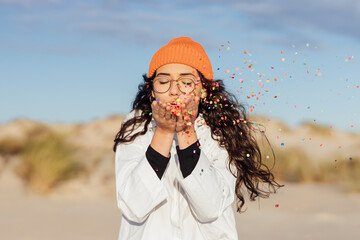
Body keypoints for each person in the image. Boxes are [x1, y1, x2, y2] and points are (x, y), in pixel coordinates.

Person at [113, 37, 283, 240]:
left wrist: (186, 131)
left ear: (203, 90)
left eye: (186, 82)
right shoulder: (136, 129)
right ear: (152, 90)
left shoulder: (219, 132)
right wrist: (164, 132)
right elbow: (133, 205)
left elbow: (210, 207)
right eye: (164, 81)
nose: (174, 90)